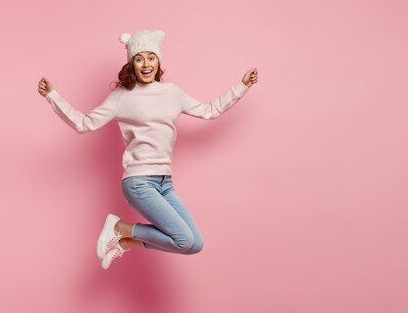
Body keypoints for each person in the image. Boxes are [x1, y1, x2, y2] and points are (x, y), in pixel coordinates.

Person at [38, 29, 258, 270]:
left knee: (194, 244)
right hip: (138, 182)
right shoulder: (122, 96)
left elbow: (210, 110)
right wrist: (53, 96)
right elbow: (84, 123)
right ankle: (120, 227)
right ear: (132, 63)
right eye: (139, 58)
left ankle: (124, 242)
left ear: (158, 60)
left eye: (151, 57)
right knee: (183, 239)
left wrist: (242, 86)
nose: (146, 64)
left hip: (165, 182)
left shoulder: (172, 93)